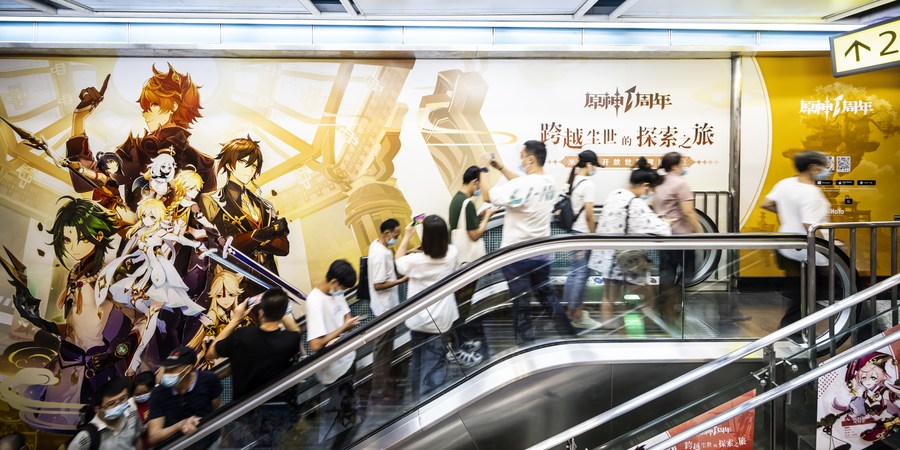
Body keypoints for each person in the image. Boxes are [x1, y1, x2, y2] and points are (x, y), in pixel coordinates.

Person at [66, 64, 216, 212]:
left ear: (174, 106)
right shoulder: (136, 151)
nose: (145, 112)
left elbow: (208, 216)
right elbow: (82, 181)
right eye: (145, 106)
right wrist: (79, 119)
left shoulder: (204, 164)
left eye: (154, 104)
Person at [480, 140, 576, 343]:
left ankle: (525, 344)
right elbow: (522, 185)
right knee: (547, 297)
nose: (521, 161)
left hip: (517, 257)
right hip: (541, 254)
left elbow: (487, 196)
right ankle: (569, 335)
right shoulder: (549, 182)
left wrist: (484, 168)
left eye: (522, 157)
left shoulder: (522, 185)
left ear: (531, 159)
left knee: (521, 302)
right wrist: (501, 168)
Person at [199, 136, 289, 299]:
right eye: (243, 162)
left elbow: (283, 247)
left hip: (271, 282)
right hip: (237, 285)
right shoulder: (211, 201)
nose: (249, 169)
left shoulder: (265, 205)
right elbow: (218, 246)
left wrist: (255, 239)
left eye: (253, 165)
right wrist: (266, 233)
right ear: (229, 164)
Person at [590, 157, 672, 329]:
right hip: (628, 261)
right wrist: (666, 222)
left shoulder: (614, 195)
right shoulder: (635, 203)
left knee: (609, 298)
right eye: (650, 190)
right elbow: (662, 230)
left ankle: (609, 333)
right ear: (645, 185)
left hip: (607, 258)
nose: (649, 194)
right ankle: (647, 330)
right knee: (648, 297)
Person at [760, 150, 832, 330]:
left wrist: (788, 213)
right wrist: (829, 250)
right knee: (809, 292)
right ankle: (794, 329)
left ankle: (793, 327)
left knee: (797, 290)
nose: (827, 170)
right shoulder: (811, 193)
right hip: (808, 251)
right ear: (813, 167)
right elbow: (810, 226)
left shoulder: (785, 183)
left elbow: (766, 203)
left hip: (785, 246)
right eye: (825, 166)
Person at [395, 215, 461, 400]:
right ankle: (432, 401)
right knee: (435, 362)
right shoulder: (452, 253)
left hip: (418, 321)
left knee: (417, 361)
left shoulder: (415, 261)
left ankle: (418, 401)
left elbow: (398, 261)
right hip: (441, 321)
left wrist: (407, 235)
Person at [204, 287, 302, 400]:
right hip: (276, 405)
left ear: (261, 313)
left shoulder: (241, 335)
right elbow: (296, 330)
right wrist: (279, 308)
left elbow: (210, 354)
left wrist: (236, 320)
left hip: (243, 406)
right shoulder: (289, 341)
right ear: (282, 314)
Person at [305, 260, 363, 448]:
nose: (342, 292)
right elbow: (315, 344)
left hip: (348, 360)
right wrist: (343, 329)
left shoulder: (335, 291)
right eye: (343, 288)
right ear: (334, 282)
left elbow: (345, 314)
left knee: (347, 411)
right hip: (334, 371)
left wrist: (347, 324)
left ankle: (346, 437)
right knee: (339, 417)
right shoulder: (315, 301)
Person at [447, 165, 496, 366]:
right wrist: (488, 217)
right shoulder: (467, 203)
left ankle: (459, 342)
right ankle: (457, 347)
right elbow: (474, 235)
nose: (480, 189)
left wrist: (478, 218)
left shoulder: (456, 200)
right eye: (480, 184)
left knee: (460, 305)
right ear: (475, 182)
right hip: (467, 263)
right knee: (464, 306)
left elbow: (461, 226)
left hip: (458, 261)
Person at [146, 346, 223, 449]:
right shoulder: (158, 394)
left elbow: (218, 408)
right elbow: (154, 436)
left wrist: (224, 436)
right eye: (166, 369)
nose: (166, 374)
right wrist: (180, 425)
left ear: (188, 369)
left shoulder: (208, 379)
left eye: (172, 369)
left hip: (211, 442)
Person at [366, 218, 408, 402]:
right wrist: (401, 281)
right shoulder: (380, 255)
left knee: (385, 347)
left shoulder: (376, 245)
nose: (396, 238)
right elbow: (378, 285)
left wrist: (409, 251)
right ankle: (380, 390)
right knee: (382, 349)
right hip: (385, 309)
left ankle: (384, 384)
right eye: (396, 235)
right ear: (386, 233)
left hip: (385, 307)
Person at [562, 150, 600, 329]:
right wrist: (593, 235)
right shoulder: (588, 184)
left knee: (573, 272)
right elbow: (589, 215)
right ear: (589, 164)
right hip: (584, 234)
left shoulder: (572, 181)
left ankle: (570, 312)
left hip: (573, 232)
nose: (595, 169)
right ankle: (577, 316)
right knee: (582, 274)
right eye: (595, 166)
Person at [67, 378, 144, 450]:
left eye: (122, 399)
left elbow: (137, 439)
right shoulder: (86, 437)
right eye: (111, 403)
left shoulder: (132, 413)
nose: (119, 406)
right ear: (97, 409)